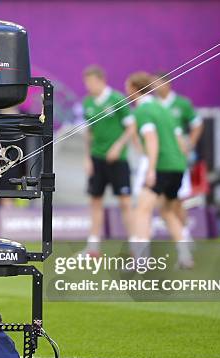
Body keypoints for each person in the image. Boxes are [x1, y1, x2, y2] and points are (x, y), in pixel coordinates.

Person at [125, 72, 193, 268]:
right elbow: (180, 141)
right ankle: (185, 255)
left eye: (128, 88)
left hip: (162, 166)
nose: (126, 92)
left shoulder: (142, 111)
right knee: (167, 211)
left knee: (142, 210)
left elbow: (152, 140)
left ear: (135, 89)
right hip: (178, 166)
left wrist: (151, 169)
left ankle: (141, 260)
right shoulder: (163, 108)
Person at [81, 66, 135, 255]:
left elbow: (130, 128)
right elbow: (88, 132)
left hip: (118, 160)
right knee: (95, 201)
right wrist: (87, 157)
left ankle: (135, 246)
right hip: (97, 159)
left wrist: (118, 146)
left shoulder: (117, 99)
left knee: (125, 202)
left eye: (90, 82)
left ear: (101, 80)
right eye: (86, 82)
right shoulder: (87, 102)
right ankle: (93, 246)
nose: (88, 86)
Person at [154, 73, 204, 241]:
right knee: (162, 201)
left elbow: (197, 125)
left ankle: (184, 234)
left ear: (167, 83)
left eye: (157, 83)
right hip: (159, 160)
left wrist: (189, 146)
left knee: (177, 199)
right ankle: (178, 235)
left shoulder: (182, 104)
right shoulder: (153, 105)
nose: (153, 87)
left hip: (177, 159)